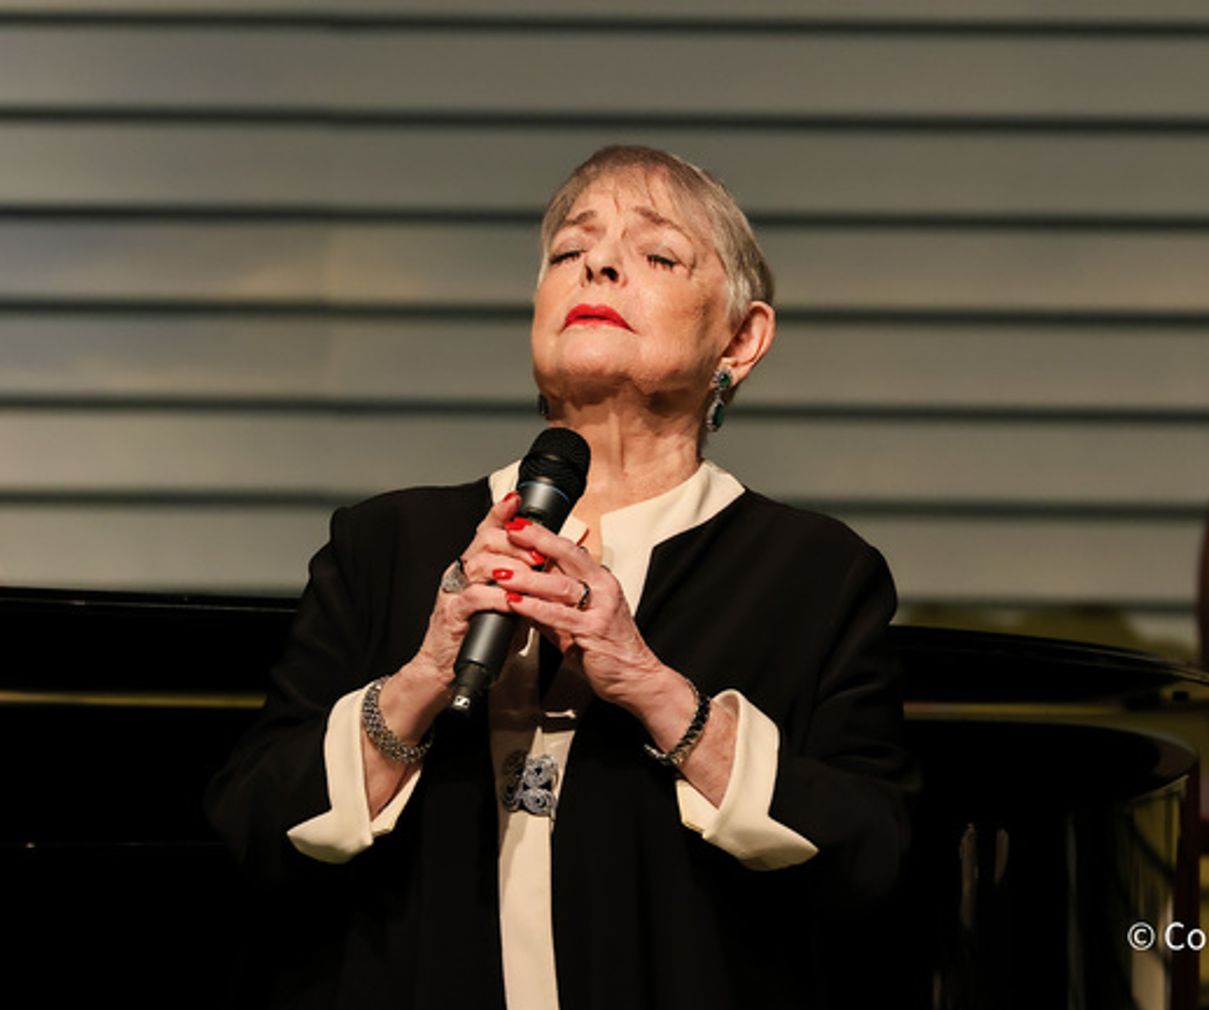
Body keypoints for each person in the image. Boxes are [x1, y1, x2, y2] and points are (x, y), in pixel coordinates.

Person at [207, 145, 918, 1010]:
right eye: (568, 254)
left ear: (740, 339)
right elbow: (248, 828)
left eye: (657, 255)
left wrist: (659, 694)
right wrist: (423, 678)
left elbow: (875, 858)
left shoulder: (815, 574)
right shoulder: (387, 542)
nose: (600, 264)